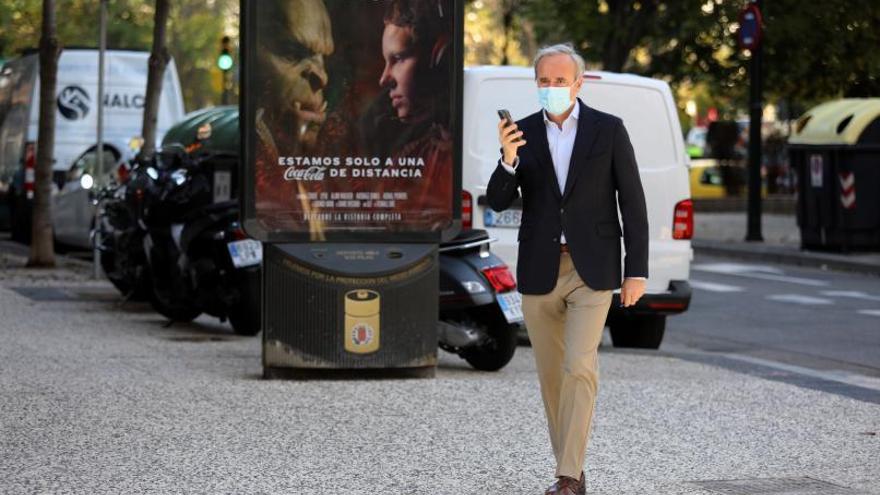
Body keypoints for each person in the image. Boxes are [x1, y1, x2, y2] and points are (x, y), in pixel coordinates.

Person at [486, 43, 648, 495]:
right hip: (539, 268)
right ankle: (572, 467)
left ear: (579, 82)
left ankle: (568, 478)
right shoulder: (521, 133)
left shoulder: (608, 130)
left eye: (560, 80)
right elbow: (497, 200)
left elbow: (632, 203)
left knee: (580, 367)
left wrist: (637, 271)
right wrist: (508, 159)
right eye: (544, 81)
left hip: (591, 269)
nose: (552, 88)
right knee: (552, 376)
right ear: (535, 84)